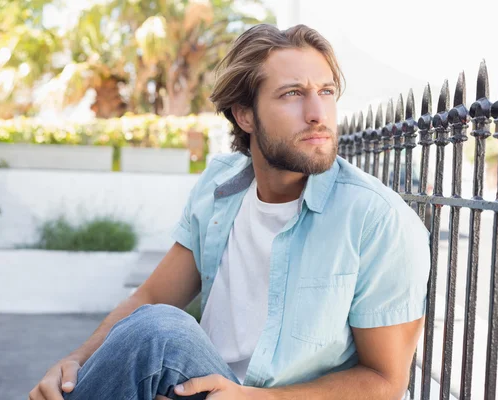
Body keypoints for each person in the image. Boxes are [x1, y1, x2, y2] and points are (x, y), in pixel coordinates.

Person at [29, 24, 430, 400]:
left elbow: (384, 381)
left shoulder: (378, 221)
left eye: (325, 92)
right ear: (244, 115)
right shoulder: (220, 186)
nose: (317, 113)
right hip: (196, 384)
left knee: (161, 331)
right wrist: (76, 360)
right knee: (153, 323)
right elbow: (153, 294)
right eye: (292, 93)